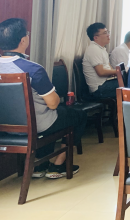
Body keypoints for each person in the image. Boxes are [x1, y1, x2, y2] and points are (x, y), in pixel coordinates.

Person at [0, 18, 85, 178]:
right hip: (36, 126)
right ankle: (58, 165)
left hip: (4, 128)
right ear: (23, 40)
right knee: (77, 115)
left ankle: (39, 165)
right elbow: (53, 104)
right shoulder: (33, 69)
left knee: (51, 116)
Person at [83, 23, 118, 98]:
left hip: (106, 83)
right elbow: (101, 72)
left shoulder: (101, 49)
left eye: (107, 32)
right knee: (129, 82)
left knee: (128, 80)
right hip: (99, 89)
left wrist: (114, 73)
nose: (108, 35)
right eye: (105, 33)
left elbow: (109, 67)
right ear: (96, 38)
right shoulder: (93, 49)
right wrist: (118, 71)